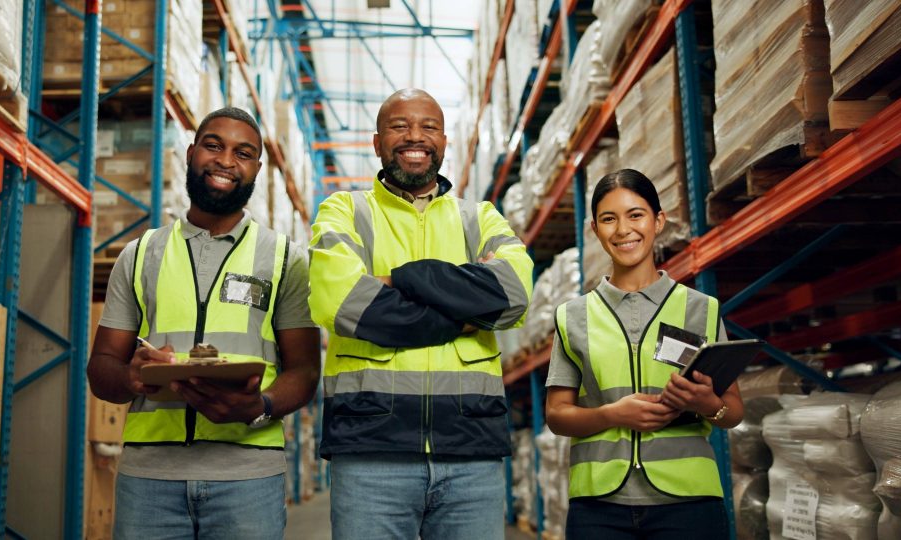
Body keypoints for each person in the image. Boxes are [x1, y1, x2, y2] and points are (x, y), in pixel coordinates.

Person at [308, 88, 534, 539]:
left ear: (444, 142)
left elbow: (513, 294)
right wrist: (463, 310)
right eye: (400, 126)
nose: (415, 136)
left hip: (471, 450)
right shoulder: (345, 211)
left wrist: (397, 279)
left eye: (428, 127)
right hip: (371, 452)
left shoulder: (480, 217)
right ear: (377, 143)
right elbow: (343, 303)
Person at [87, 107, 320, 540]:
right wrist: (131, 376)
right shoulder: (139, 255)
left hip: (248, 477)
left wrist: (261, 405)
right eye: (214, 146)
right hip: (149, 479)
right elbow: (101, 368)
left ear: (257, 169)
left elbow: (305, 371)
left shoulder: (287, 259)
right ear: (191, 153)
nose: (226, 161)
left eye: (243, 153)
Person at [545, 168, 744, 539]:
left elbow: (732, 412)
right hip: (599, 507)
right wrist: (611, 414)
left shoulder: (700, 309)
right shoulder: (573, 317)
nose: (623, 230)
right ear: (595, 229)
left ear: (658, 221)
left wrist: (707, 404)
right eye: (609, 219)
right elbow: (556, 415)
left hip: (689, 502)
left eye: (635, 215)